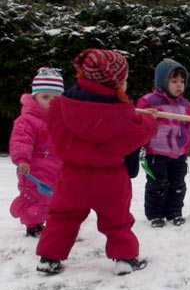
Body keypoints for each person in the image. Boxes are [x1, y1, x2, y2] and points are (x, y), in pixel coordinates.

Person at [36, 49, 158, 275]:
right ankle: (124, 259)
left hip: (72, 178)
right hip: (110, 180)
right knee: (117, 221)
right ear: (115, 82)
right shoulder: (123, 114)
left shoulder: (60, 107)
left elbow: (55, 127)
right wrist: (150, 120)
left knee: (63, 218)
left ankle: (48, 258)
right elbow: (137, 133)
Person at [137, 58, 190, 228]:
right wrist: (145, 123)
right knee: (158, 184)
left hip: (179, 153)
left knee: (178, 184)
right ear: (163, 82)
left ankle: (174, 212)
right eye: (174, 81)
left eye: (182, 81)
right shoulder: (149, 102)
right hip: (155, 153)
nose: (179, 85)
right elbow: (139, 125)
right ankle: (155, 215)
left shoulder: (185, 105)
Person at [10, 68, 64, 237]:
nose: (50, 101)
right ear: (35, 98)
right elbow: (21, 140)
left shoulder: (61, 119)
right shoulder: (27, 120)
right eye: (45, 97)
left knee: (57, 197)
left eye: (55, 98)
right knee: (34, 198)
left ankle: (55, 223)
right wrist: (22, 159)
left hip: (57, 168)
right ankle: (32, 224)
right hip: (33, 170)